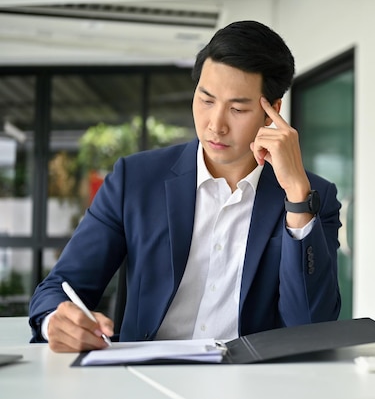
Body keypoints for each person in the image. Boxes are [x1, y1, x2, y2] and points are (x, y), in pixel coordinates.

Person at [29, 20, 342, 353]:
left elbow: (310, 327)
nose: (215, 125)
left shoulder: (313, 197)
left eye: (237, 109)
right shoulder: (134, 181)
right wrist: (55, 322)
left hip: (251, 384)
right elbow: (58, 290)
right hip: (146, 379)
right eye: (206, 100)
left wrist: (296, 196)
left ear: (272, 112)